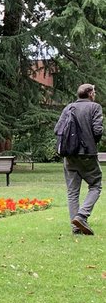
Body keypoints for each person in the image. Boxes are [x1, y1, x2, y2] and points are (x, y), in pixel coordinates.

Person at [55, 83, 103, 235]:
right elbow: (97, 131)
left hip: (69, 155)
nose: (94, 94)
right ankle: (82, 216)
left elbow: (57, 130)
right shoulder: (95, 107)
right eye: (93, 91)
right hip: (87, 154)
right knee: (96, 185)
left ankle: (76, 227)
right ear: (90, 94)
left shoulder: (68, 108)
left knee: (72, 192)